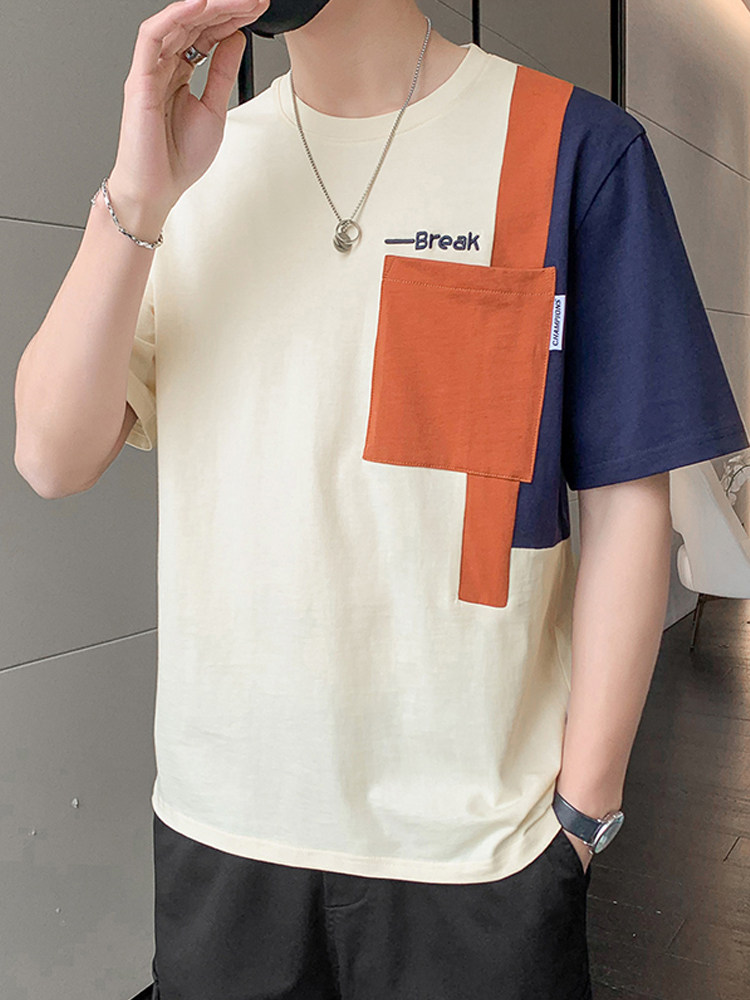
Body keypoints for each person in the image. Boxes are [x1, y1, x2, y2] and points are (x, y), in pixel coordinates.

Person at [13, 1, 749, 998]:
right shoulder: (193, 168)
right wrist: (139, 196)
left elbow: (628, 503)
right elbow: (52, 457)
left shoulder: (570, 147)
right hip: (223, 835)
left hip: (478, 856)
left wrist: (581, 818)